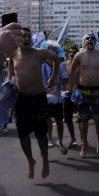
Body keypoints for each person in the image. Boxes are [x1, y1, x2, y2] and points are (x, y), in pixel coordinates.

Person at [9, 27, 60, 179]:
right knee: (22, 135)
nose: (26, 38)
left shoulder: (39, 53)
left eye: (28, 36)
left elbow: (57, 60)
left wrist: (52, 78)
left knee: (41, 135)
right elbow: (10, 64)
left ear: (31, 38)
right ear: (19, 38)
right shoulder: (14, 53)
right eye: (23, 36)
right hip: (21, 99)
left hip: (38, 98)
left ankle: (45, 160)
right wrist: (10, 77)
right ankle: (31, 160)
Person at [70, 33, 99, 158]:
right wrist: (74, 88)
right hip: (83, 91)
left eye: (92, 38)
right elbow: (72, 71)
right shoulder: (79, 55)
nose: (90, 40)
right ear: (84, 41)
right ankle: (83, 144)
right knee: (83, 119)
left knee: (98, 119)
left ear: (95, 41)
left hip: (98, 90)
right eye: (87, 38)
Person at [62, 46, 80, 148]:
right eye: (70, 51)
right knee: (67, 118)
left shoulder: (81, 64)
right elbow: (62, 79)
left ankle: (83, 140)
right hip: (67, 93)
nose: (72, 53)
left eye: (74, 52)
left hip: (79, 93)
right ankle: (73, 139)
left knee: (82, 118)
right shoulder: (64, 65)